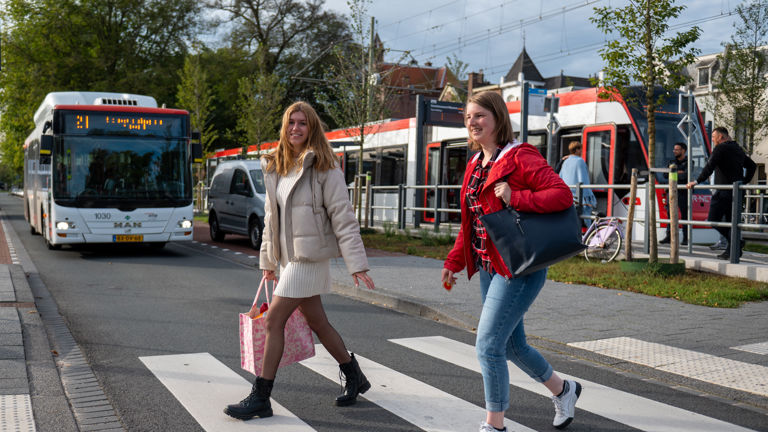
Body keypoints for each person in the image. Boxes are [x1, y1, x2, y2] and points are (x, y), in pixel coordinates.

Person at [224, 101, 376, 420]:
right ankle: (354, 376)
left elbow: (343, 216)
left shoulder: (324, 165)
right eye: (291, 122)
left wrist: (357, 263)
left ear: (312, 128)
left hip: (309, 258)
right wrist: (268, 260)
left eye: (303, 123)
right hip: (287, 261)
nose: (296, 128)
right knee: (318, 322)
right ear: (284, 126)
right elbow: (270, 219)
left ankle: (261, 396)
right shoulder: (277, 165)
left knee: (273, 320)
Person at [442, 91, 582, 432]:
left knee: (488, 346)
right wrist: (454, 262)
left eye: (479, 116)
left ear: (497, 118)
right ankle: (565, 391)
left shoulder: (520, 156)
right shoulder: (476, 163)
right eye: (468, 117)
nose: (472, 123)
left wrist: (516, 196)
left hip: (519, 267)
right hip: (491, 267)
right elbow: (471, 221)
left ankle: (495, 425)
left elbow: (562, 195)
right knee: (512, 345)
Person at [687, 127, 756, 259]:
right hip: (736, 192)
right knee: (731, 222)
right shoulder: (737, 149)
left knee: (713, 219)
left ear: (721, 137)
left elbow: (710, 166)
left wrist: (697, 181)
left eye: (713, 137)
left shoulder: (720, 148)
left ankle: (737, 242)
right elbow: (752, 166)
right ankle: (732, 251)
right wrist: (743, 182)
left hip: (723, 192)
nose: (712, 140)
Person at [558, 141, 597, 226]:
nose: (581, 151)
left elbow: (560, 177)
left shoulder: (566, 162)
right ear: (576, 150)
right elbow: (583, 179)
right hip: (579, 197)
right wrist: (589, 197)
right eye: (580, 149)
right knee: (587, 217)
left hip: (569, 196)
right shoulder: (580, 161)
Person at [661, 142, 689, 245]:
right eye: (674, 149)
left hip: (683, 192)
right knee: (670, 215)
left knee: (685, 215)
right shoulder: (671, 161)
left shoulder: (689, 162)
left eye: (677, 149)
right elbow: (664, 174)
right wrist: (678, 172)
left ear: (683, 151)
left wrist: (673, 173)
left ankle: (686, 238)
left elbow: (686, 176)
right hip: (671, 192)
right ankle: (669, 236)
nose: (674, 151)